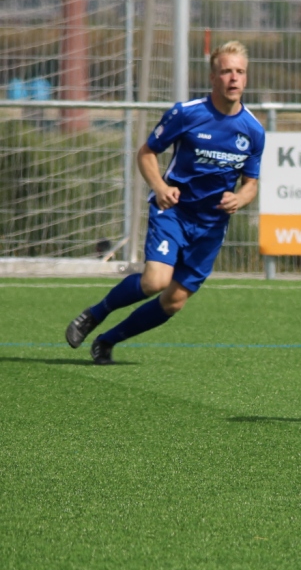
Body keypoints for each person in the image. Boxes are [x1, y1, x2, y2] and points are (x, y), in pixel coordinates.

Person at [65, 41, 264, 363]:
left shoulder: (253, 130)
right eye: (226, 71)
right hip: (173, 211)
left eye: (240, 72)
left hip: (211, 225)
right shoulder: (187, 113)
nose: (234, 78)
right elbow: (146, 152)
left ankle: (107, 341)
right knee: (155, 280)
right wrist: (159, 187)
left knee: (174, 301)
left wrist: (240, 198)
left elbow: (251, 183)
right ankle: (94, 314)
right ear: (213, 76)